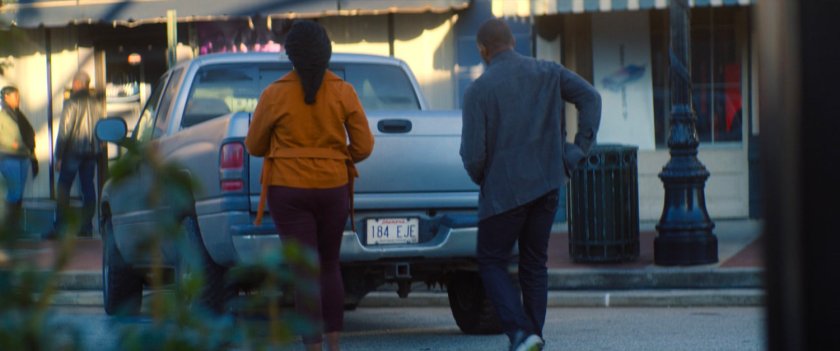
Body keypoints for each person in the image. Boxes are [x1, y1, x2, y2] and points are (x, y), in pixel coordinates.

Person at [460, 19, 601, 351]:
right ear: (512, 42)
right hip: (548, 185)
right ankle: (532, 335)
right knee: (535, 262)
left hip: (504, 193)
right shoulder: (548, 72)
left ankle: (522, 335)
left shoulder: (478, 91)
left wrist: (484, 178)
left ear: (483, 50)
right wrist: (578, 150)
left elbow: (473, 156)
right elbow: (591, 98)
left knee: (492, 260)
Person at [244, 20, 374, 351]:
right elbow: (364, 147)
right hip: (333, 188)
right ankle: (333, 346)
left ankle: (312, 347)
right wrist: (334, 157)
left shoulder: (274, 94)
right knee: (330, 265)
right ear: (327, 53)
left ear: (290, 55)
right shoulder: (344, 91)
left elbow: (255, 146)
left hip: (287, 191)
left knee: (304, 272)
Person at [46, 71, 104, 239]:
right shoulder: (96, 103)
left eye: (73, 82)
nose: (72, 85)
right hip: (91, 152)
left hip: (72, 151)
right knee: (88, 188)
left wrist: (59, 155)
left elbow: (65, 131)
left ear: (78, 83)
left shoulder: (71, 102)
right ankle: (87, 226)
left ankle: (60, 227)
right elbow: (100, 128)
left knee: (63, 187)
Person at [0, 86, 38, 234]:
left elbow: (29, 134)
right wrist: (11, 143)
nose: (18, 99)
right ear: (6, 97)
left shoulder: (19, 114)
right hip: (9, 157)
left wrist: (32, 155)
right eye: (15, 96)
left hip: (23, 157)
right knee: (14, 193)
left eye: (19, 96)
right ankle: (9, 228)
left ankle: (14, 227)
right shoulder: (2, 116)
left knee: (19, 193)